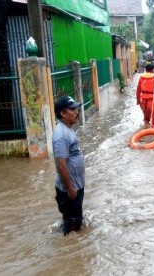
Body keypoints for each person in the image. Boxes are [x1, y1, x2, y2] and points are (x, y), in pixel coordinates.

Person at [52, 95, 85, 236]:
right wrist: (71, 189)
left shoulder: (67, 129)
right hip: (69, 191)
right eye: (72, 109)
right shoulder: (61, 135)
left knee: (75, 220)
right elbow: (61, 165)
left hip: (74, 186)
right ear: (63, 113)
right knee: (73, 229)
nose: (76, 111)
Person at [136, 63, 154, 128]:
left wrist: (138, 101)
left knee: (146, 118)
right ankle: (153, 133)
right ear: (153, 70)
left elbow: (138, 90)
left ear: (146, 70)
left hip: (143, 101)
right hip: (152, 100)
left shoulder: (141, 78)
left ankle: (145, 130)